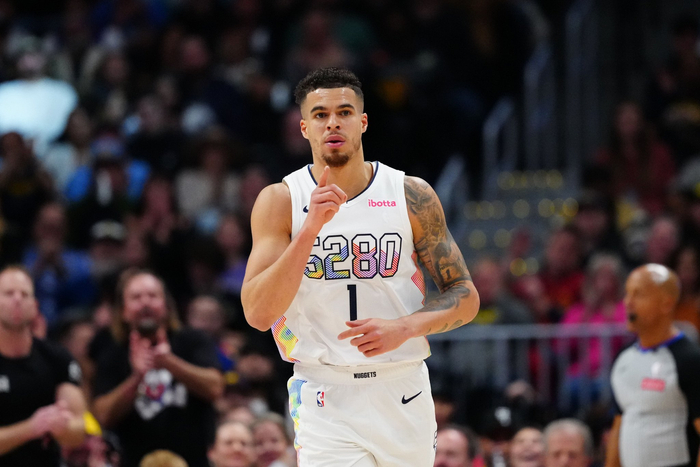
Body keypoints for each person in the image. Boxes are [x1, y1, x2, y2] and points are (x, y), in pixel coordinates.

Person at [241, 67, 479, 467]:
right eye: (320, 114)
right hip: (324, 393)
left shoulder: (410, 194)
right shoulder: (280, 200)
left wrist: (405, 327)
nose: (333, 123)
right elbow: (257, 313)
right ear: (304, 128)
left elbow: (466, 296)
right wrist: (309, 231)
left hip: (402, 386)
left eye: (344, 112)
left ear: (363, 122)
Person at [90, 268, 225, 467]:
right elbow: (102, 415)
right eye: (136, 297)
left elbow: (215, 387)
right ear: (124, 311)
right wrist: (137, 378)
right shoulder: (112, 353)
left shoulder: (193, 341)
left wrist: (168, 362)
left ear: (166, 305)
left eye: (152, 296)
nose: (145, 303)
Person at [606, 264, 700, 467]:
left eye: (638, 294)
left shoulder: (690, 359)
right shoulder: (623, 359)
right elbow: (619, 427)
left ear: (667, 304)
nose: (628, 302)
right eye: (627, 294)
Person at [0, 265, 87, 466]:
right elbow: (34, 427)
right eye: (9, 293)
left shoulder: (56, 357)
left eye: (24, 294)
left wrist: (62, 427)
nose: (17, 299)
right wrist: (31, 428)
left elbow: (80, 429)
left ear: (35, 306)